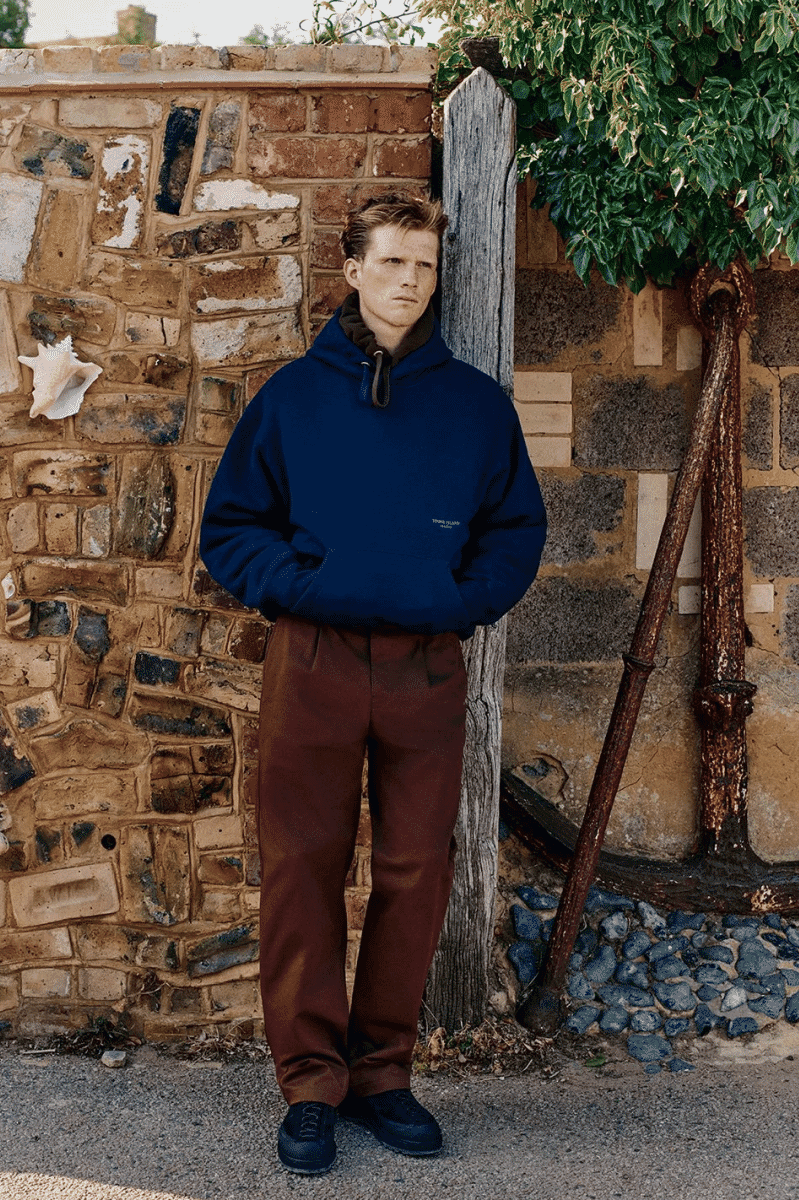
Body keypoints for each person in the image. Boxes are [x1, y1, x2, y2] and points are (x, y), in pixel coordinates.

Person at [199, 193, 546, 1175]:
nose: (406, 281)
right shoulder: (291, 399)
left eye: (422, 267)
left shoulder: (474, 407)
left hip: (424, 669)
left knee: (412, 872)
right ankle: (310, 1083)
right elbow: (230, 529)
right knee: (300, 869)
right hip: (309, 663)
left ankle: (382, 1074)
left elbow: (515, 530)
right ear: (351, 269)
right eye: (389, 262)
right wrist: (300, 590)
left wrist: (454, 602)